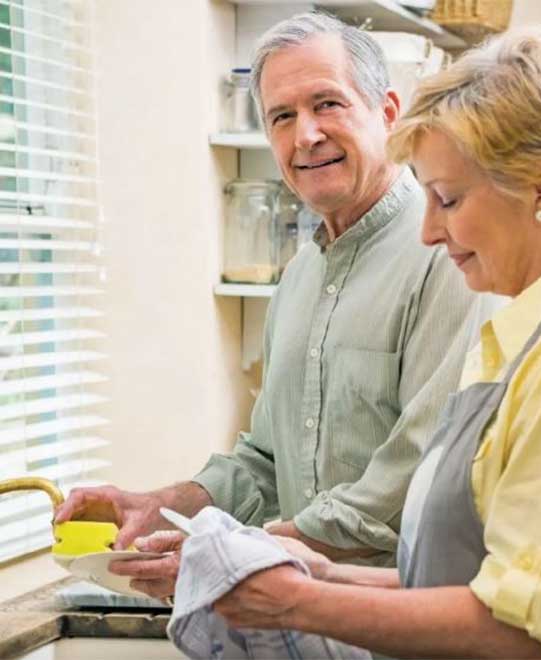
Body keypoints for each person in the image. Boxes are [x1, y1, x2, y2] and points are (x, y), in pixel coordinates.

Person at [207, 25, 541, 659]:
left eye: (449, 199)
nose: (428, 231)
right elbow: (489, 583)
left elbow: (522, 629)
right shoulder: (532, 337)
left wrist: (298, 602)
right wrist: (323, 573)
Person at [55, 12, 491, 597]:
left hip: (406, 624)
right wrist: (159, 506)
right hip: (304, 619)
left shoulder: (448, 256)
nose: (305, 135)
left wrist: (229, 553)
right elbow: (264, 461)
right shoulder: (301, 274)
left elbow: (414, 477)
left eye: (327, 104)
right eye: (281, 117)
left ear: (388, 114)